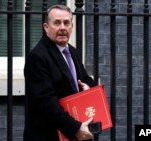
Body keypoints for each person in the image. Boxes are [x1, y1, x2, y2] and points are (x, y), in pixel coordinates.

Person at [23, 4, 97, 141]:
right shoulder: (37, 57)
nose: (62, 27)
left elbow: (85, 79)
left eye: (66, 23)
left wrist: (88, 89)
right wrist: (75, 129)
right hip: (48, 135)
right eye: (57, 23)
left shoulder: (73, 52)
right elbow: (46, 103)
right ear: (46, 27)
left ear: (72, 27)